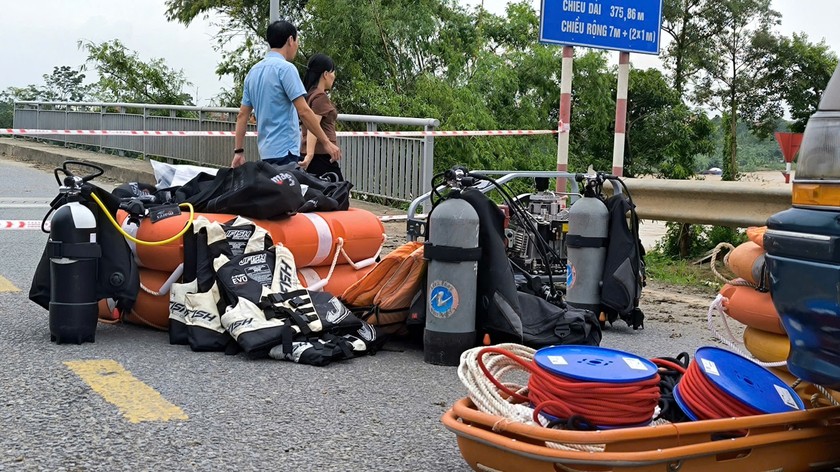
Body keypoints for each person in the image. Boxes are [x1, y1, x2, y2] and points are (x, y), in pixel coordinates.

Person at [231, 20, 340, 168]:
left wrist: (238, 151)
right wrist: (326, 143)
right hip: (286, 152)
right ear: (290, 40)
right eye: (297, 41)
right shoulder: (286, 69)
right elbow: (304, 111)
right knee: (289, 190)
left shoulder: (253, 72)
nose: (297, 45)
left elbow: (242, 115)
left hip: (266, 152)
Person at [299, 54, 343, 181]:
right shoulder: (320, 97)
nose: (334, 76)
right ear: (325, 74)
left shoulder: (308, 95)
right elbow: (314, 126)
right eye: (333, 72)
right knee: (339, 196)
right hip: (321, 158)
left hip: (312, 156)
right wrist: (310, 155)